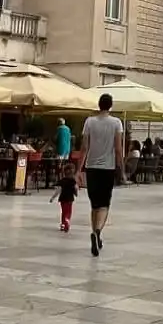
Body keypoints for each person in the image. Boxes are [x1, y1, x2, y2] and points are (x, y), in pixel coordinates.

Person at [80, 93, 125, 257]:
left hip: (91, 167)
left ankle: (95, 232)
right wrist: (123, 169)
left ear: (99, 105)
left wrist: (79, 169)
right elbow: (118, 148)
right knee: (104, 204)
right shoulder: (116, 123)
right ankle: (98, 231)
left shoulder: (89, 121)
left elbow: (84, 147)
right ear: (110, 105)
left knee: (94, 205)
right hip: (108, 168)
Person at [51, 164, 78, 232]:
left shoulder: (62, 180)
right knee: (68, 212)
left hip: (62, 199)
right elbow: (76, 188)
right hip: (70, 199)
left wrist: (53, 198)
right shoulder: (73, 181)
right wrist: (76, 193)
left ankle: (63, 224)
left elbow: (58, 190)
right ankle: (67, 220)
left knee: (63, 211)